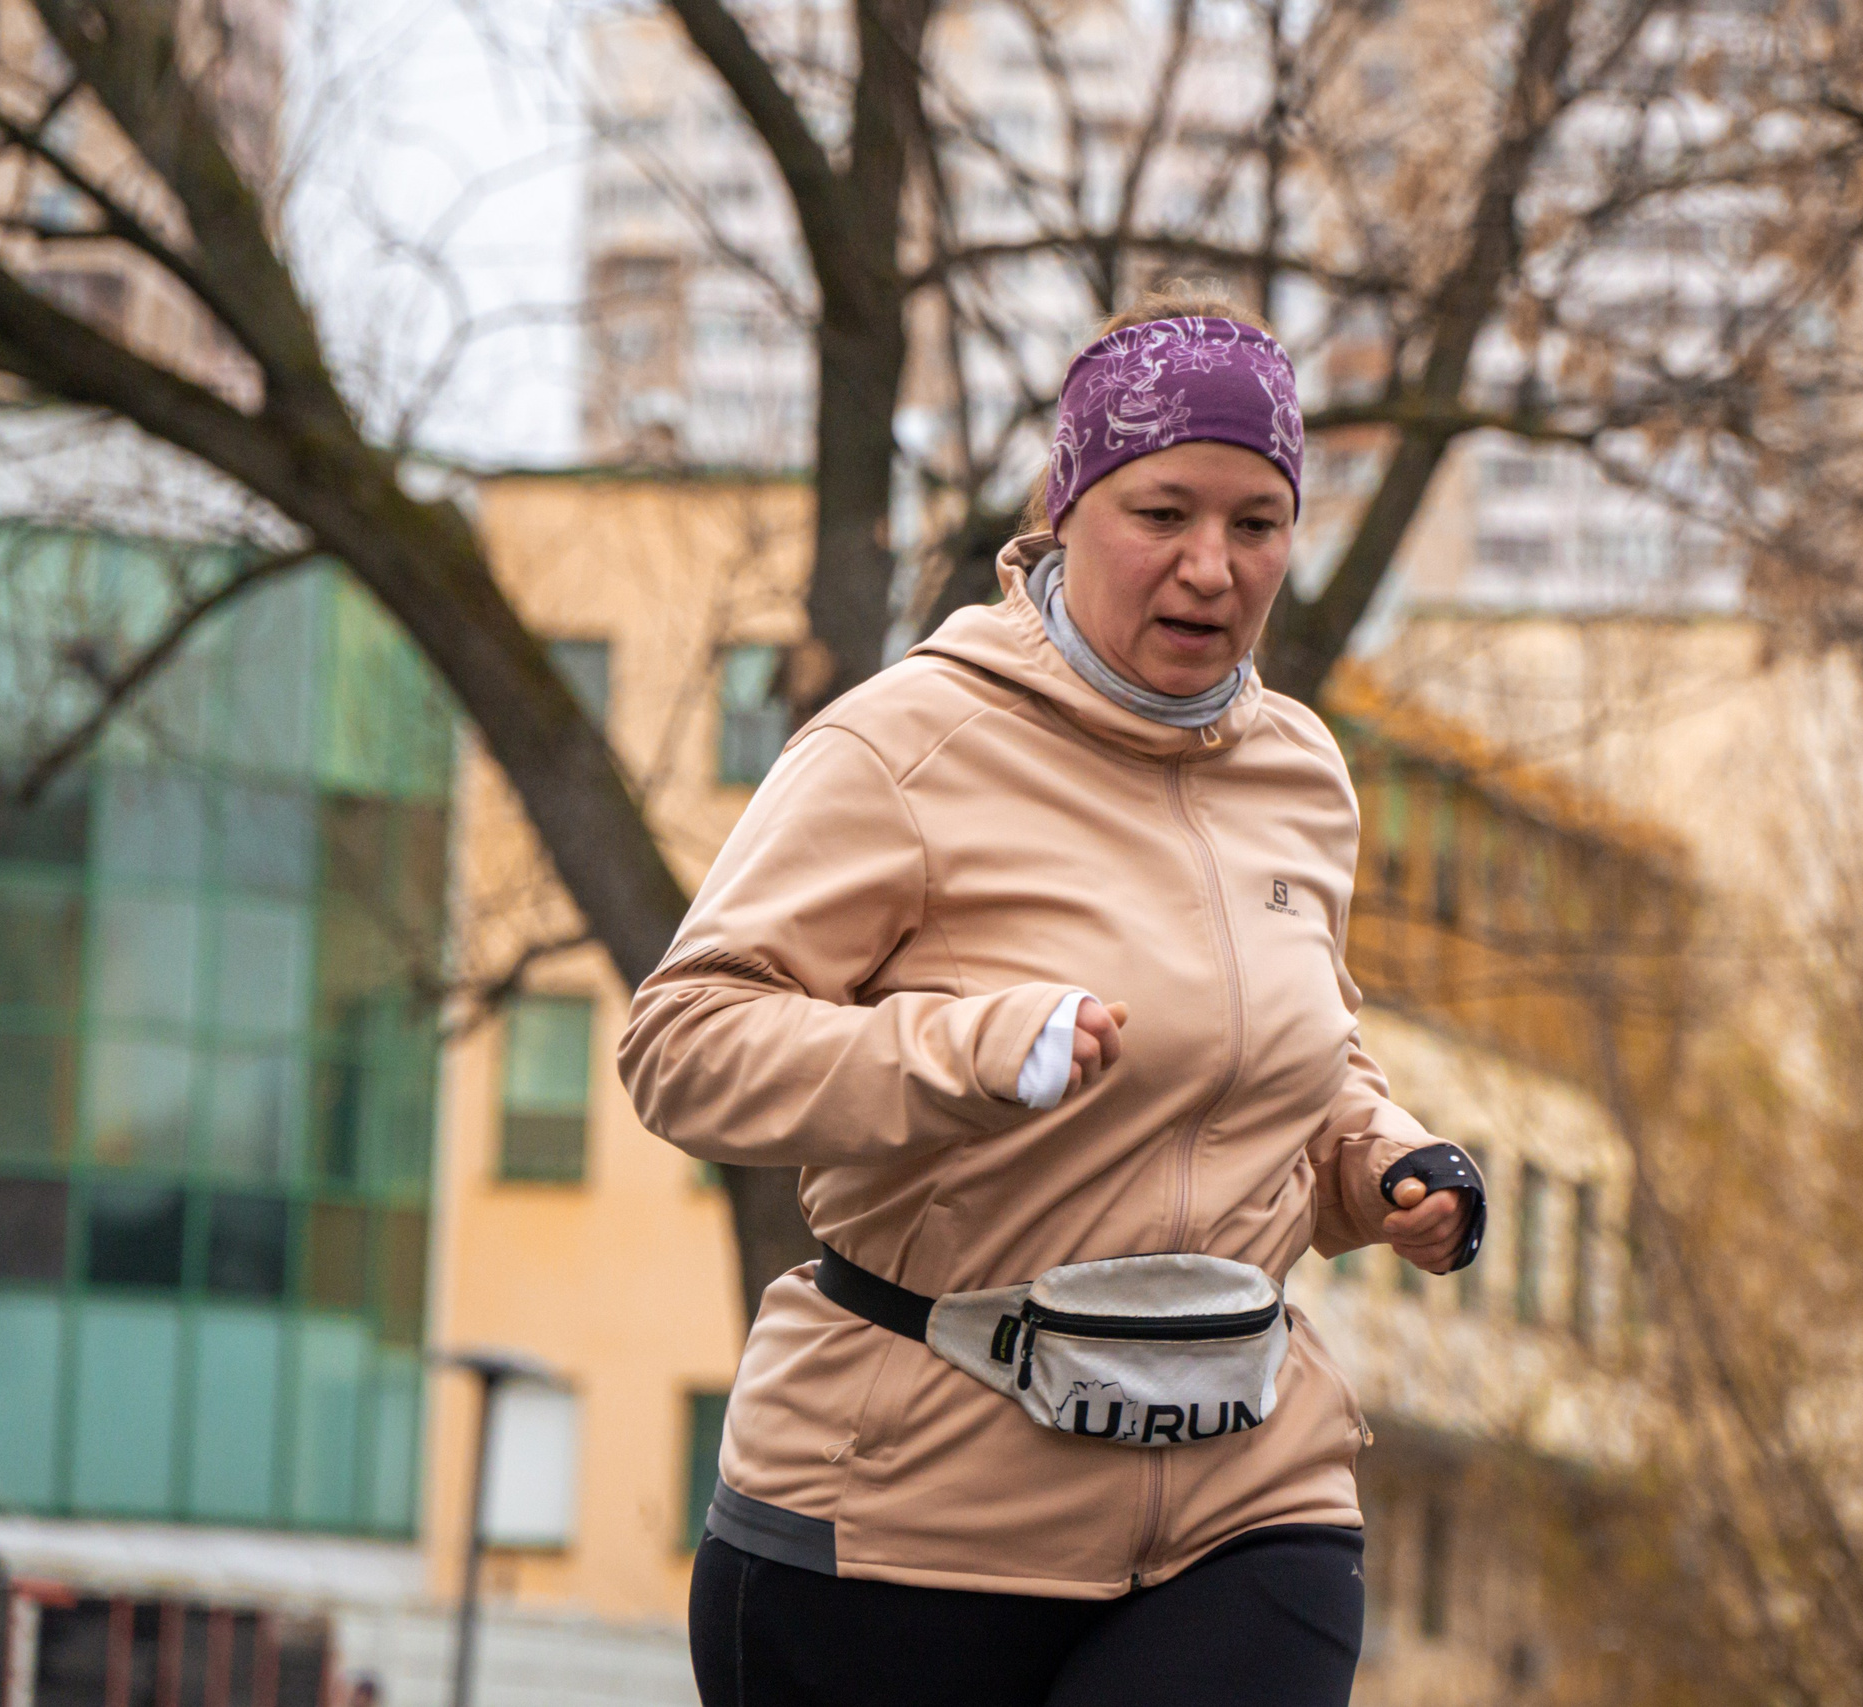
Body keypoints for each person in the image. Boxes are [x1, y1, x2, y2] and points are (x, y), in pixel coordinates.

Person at [619, 284, 1487, 1707]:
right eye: (1164, 513)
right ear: (1067, 506)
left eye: (1257, 524)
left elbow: (1287, 1065)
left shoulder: (1302, 774)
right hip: (900, 1523)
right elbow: (683, 1043)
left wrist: (1383, 1165)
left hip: (1244, 1494)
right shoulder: (907, 743)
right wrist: (968, 1052)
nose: (1211, 568)